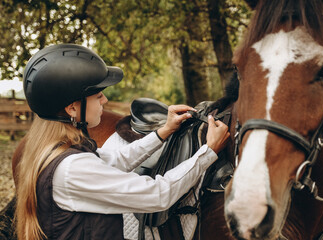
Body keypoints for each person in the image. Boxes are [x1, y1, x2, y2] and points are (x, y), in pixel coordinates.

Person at [15, 44, 230, 240]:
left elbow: (117, 159)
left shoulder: (58, 151)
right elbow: (158, 195)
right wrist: (208, 152)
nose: (105, 101)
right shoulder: (72, 168)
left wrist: (163, 132)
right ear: (72, 108)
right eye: (98, 95)